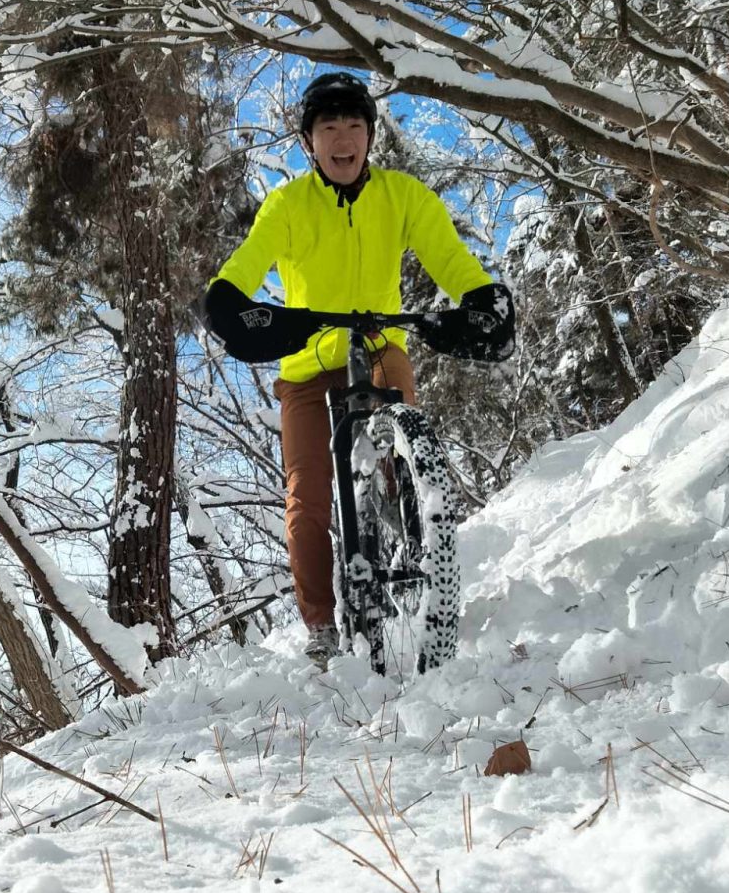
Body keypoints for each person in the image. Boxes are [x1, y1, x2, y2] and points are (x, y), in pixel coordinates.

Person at [204, 70, 515, 667]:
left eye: (354, 125)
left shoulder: (403, 196)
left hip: (377, 348)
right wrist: (230, 299)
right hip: (308, 361)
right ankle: (321, 625)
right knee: (309, 499)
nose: (343, 138)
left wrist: (477, 297)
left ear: (370, 136)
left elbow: (449, 258)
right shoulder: (287, 205)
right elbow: (246, 266)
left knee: (406, 449)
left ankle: (417, 545)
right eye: (328, 127)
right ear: (309, 142)